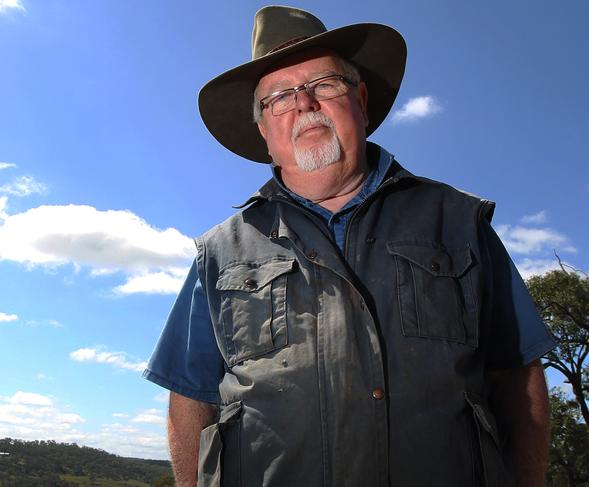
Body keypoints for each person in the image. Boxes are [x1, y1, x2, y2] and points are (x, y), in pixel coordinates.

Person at [144, 6, 556, 487]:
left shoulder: (459, 221)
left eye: (324, 84)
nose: (304, 104)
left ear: (359, 99)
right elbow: (190, 398)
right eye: (279, 96)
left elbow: (518, 376)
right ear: (264, 131)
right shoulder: (218, 251)